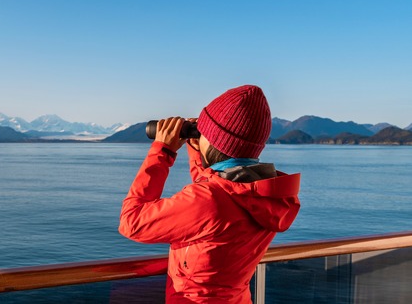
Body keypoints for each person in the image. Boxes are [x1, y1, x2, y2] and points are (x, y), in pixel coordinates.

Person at [118, 84, 300, 303]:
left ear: (214, 141)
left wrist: (162, 152)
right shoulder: (264, 193)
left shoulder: (209, 200)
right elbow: (215, 194)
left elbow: (132, 223)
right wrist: (198, 150)